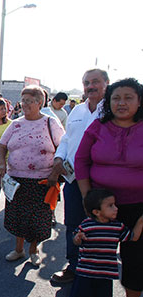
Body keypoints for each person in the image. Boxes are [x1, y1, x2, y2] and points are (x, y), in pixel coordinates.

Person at [75, 78, 143, 297]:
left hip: (138, 209)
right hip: (101, 209)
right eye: (116, 98)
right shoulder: (97, 127)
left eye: (128, 97)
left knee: (136, 262)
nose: (121, 103)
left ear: (139, 101)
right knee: (97, 260)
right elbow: (81, 160)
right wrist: (87, 197)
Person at [49, 69, 109, 284]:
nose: (90, 86)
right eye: (86, 83)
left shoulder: (113, 111)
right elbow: (66, 139)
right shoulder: (77, 111)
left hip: (102, 181)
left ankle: (96, 272)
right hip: (74, 180)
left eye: (95, 82)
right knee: (73, 224)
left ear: (107, 83)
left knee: (101, 226)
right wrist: (58, 158)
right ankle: (74, 266)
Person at [0, 85, 64, 266]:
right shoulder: (16, 124)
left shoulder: (51, 123)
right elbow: (2, 146)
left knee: (37, 218)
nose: (24, 104)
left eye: (29, 101)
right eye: (23, 100)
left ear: (40, 103)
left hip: (42, 181)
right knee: (18, 216)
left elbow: (62, 150)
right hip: (16, 180)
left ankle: (33, 250)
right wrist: (2, 164)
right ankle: (18, 249)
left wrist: (55, 174)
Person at [61, 189, 143, 297]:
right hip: (85, 272)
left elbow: (133, 237)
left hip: (105, 273)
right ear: (97, 212)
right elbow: (75, 239)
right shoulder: (87, 225)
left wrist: (141, 221)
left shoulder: (118, 227)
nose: (116, 208)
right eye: (110, 205)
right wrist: (78, 238)